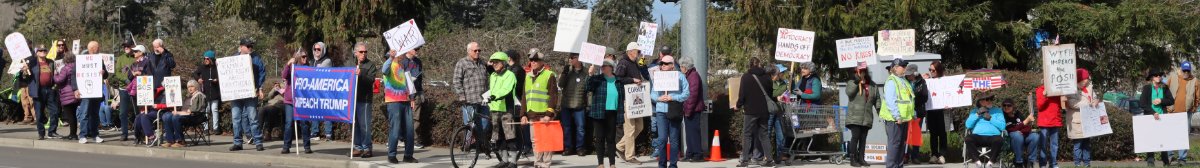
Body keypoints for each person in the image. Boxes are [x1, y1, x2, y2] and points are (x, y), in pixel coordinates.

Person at [734, 58, 776, 167]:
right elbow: (770, 94)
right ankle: (769, 160)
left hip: (750, 111)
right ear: (760, 65)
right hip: (764, 110)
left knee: (747, 134)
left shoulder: (746, 77)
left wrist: (738, 105)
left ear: (750, 65)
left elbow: (742, 95)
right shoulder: (767, 77)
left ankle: (744, 161)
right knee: (764, 135)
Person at [523, 50, 560, 168]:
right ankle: (538, 163)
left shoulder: (549, 75)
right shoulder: (527, 76)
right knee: (535, 140)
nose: (533, 62)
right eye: (531, 60)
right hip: (532, 114)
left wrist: (549, 114)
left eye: (536, 60)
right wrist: (523, 114)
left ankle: (546, 164)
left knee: (546, 140)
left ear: (541, 61)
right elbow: (524, 97)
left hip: (544, 114)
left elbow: (554, 95)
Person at [650, 55, 688, 168]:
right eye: (662, 64)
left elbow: (686, 93)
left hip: (674, 110)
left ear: (672, 65)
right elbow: (652, 93)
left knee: (674, 140)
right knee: (661, 139)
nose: (663, 66)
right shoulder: (657, 77)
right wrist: (658, 98)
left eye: (666, 64)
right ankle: (661, 165)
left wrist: (673, 98)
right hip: (661, 111)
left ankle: (673, 165)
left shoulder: (680, 76)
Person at [229, 38, 266, 152]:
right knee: (236, 119)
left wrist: (260, 88)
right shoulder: (233, 59)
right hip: (236, 94)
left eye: (251, 46)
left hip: (250, 93)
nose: (251, 48)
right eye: (248, 46)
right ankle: (238, 143)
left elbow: (262, 73)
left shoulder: (256, 58)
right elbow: (227, 74)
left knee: (253, 118)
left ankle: (258, 142)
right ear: (241, 47)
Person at [382, 48, 419, 163]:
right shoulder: (390, 64)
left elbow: (407, 84)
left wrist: (411, 97)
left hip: (405, 101)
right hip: (393, 102)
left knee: (409, 129)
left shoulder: (402, 66)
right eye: (401, 53)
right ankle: (392, 155)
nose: (403, 55)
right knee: (395, 129)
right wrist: (391, 58)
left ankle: (408, 155)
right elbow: (384, 70)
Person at [614, 42, 647, 165]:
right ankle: (629, 156)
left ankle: (619, 147)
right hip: (627, 100)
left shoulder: (634, 64)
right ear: (631, 51)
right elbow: (618, 78)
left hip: (635, 100)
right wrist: (632, 80)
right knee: (630, 128)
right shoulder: (623, 63)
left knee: (639, 126)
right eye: (637, 51)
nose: (639, 54)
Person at [486, 51, 520, 168]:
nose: (494, 64)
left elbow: (506, 89)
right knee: (499, 136)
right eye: (493, 62)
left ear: (503, 63)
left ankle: (513, 161)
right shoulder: (493, 75)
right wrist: (487, 98)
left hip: (507, 109)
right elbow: (492, 91)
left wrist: (495, 96)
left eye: (497, 62)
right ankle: (504, 160)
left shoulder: (510, 75)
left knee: (509, 135)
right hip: (495, 109)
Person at [453, 42, 490, 146]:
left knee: (485, 124)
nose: (478, 52)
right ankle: (468, 145)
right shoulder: (462, 63)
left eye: (479, 50)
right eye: (475, 50)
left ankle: (481, 144)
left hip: (483, 100)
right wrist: (461, 95)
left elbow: (487, 80)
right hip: (469, 100)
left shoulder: (482, 63)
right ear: (469, 51)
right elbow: (456, 80)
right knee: (470, 125)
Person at [880, 58, 914, 168]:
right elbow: (890, 100)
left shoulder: (904, 81)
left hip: (904, 119)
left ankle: (899, 166)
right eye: (903, 66)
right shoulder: (891, 81)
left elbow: (909, 100)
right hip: (894, 119)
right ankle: (891, 166)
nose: (905, 68)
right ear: (895, 68)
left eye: (905, 66)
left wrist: (912, 114)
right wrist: (896, 115)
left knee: (901, 145)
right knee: (894, 145)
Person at [22, 45, 61, 140]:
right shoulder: (32, 63)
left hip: (50, 89)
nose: (43, 51)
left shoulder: (51, 62)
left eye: (44, 50)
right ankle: (41, 133)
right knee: (39, 114)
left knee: (55, 111)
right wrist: (24, 71)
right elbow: (25, 78)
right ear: (37, 52)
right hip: (38, 90)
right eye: (40, 50)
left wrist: (55, 86)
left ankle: (52, 132)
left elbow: (56, 74)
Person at [588, 58, 620, 168]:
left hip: (612, 112)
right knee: (600, 138)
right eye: (602, 65)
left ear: (611, 67)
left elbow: (622, 96)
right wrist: (590, 75)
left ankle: (612, 163)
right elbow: (588, 87)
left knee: (611, 139)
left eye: (605, 65)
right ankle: (600, 163)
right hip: (599, 112)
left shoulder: (618, 80)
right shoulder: (597, 79)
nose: (602, 67)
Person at [1065, 68, 1100, 167]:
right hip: (1077, 121)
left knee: (1087, 144)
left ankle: (1087, 163)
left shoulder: (1089, 87)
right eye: (1084, 80)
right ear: (1079, 80)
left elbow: (1095, 97)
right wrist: (1089, 103)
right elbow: (1072, 103)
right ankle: (1077, 164)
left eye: (1087, 80)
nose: (1086, 82)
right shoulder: (1071, 89)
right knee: (1078, 144)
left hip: (1088, 120)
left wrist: (1096, 101)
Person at [350, 42, 380, 157]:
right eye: (361, 52)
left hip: (365, 100)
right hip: (353, 99)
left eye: (365, 52)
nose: (364, 54)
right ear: (356, 53)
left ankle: (367, 148)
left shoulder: (370, 65)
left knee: (364, 125)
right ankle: (358, 147)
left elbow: (371, 80)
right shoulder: (351, 64)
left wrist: (361, 74)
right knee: (355, 124)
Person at [279, 50, 312, 154]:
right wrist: (288, 64)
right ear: (297, 58)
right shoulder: (292, 68)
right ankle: (286, 146)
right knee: (289, 123)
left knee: (304, 124)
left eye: (306, 56)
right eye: (303, 57)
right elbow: (284, 75)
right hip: (290, 100)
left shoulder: (307, 69)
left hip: (302, 100)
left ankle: (307, 146)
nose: (305, 58)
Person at [846, 62, 877, 167]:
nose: (861, 73)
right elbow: (849, 93)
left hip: (866, 116)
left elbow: (877, 99)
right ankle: (852, 158)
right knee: (855, 136)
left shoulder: (872, 84)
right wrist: (857, 81)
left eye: (863, 71)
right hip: (854, 115)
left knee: (863, 138)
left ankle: (861, 158)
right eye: (858, 71)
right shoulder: (852, 82)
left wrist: (879, 110)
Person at [1166, 62, 1198, 165]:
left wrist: (1193, 108)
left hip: (1186, 113)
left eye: (1188, 70)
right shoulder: (1172, 77)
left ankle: (1182, 159)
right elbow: (1165, 91)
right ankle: (1169, 157)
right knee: (1170, 135)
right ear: (1180, 69)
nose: (1186, 72)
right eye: (1184, 70)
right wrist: (1166, 106)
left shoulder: (1195, 81)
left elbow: (1198, 97)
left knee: (1184, 136)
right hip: (1171, 112)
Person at [558, 52, 589, 157]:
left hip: (580, 103)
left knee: (580, 127)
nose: (570, 60)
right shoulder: (568, 71)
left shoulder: (586, 72)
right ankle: (568, 147)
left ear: (579, 58)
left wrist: (589, 104)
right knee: (566, 127)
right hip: (566, 103)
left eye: (572, 58)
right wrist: (564, 73)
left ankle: (580, 148)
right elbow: (560, 84)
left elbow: (589, 89)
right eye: (569, 58)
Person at [1141, 69, 1174, 166]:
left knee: (1163, 139)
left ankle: (1165, 161)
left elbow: (1171, 100)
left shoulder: (1165, 87)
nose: (1158, 77)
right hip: (1150, 117)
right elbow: (1142, 103)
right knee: (1151, 139)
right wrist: (1152, 112)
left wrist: (1161, 100)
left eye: (1160, 75)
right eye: (1156, 75)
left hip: (1162, 117)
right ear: (1152, 77)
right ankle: (1150, 161)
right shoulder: (1147, 88)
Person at [161, 80, 206, 148]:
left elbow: (193, 110)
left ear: (196, 87)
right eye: (188, 87)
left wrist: (178, 113)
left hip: (195, 116)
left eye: (192, 86)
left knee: (176, 117)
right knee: (167, 116)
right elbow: (182, 108)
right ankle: (170, 140)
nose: (190, 88)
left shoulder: (199, 95)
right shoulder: (188, 96)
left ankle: (180, 141)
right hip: (185, 115)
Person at [77, 41, 107, 143]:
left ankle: (95, 135)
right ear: (93, 48)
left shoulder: (100, 60)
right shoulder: (81, 60)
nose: (99, 49)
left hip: (96, 91)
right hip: (85, 92)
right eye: (98, 47)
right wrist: (76, 89)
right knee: (84, 113)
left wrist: (104, 72)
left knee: (95, 114)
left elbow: (106, 74)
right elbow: (75, 75)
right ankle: (83, 135)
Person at [965, 95, 1006, 167]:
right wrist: (977, 114)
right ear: (980, 101)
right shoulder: (974, 111)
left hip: (993, 136)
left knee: (999, 140)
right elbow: (968, 125)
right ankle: (976, 161)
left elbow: (1002, 126)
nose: (990, 101)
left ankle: (991, 162)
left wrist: (990, 118)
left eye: (991, 99)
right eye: (987, 99)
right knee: (968, 139)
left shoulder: (997, 111)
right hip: (978, 136)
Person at [680, 57, 707, 162]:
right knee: (689, 132)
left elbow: (693, 96)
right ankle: (690, 153)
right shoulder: (689, 75)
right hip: (690, 109)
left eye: (682, 66)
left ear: (686, 67)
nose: (681, 68)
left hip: (693, 110)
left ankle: (698, 154)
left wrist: (688, 110)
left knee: (694, 132)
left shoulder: (693, 76)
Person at [1035, 80, 1065, 168]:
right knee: (1043, 144)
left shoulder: (1057, 90)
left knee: (1054, 145)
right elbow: (1040, 106)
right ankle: (1043, 164)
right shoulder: (1040, 90)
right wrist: (1045, 95)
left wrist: (1064, 98)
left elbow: (1061, 105)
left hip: (1055, 120)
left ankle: (1053, 164)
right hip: (1044, 122)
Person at [1002, 98, 1040, 168]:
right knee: (1017, 135)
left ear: (1013, 106)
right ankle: (1018, 162)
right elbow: (1010, 129)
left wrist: (1020, 129)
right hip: (1010, 139)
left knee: (1035, 136)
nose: (1006, 107)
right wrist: (1024, 123)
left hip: (1023, 135)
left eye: (1009, 105)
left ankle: (1030, 161)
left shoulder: (1018, 114)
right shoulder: (1003, 116)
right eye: (1004, 105)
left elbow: (1028, 128)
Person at [400, 46, 425, 149]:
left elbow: (419, 78)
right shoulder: (402, 61)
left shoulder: (418, 61)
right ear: (409, 49)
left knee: (416, 118)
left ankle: (414, 140)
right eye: (416, 49)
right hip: (404, 93)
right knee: (402, 117)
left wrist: (421, 91)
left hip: (416, 92)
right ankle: (401, 139)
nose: (417, 51)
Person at [924, 61, 949, 164]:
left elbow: (949, 93)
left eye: (933, 70)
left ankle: (942, 155)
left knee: (942, 133)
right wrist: (922, 80)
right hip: (931, 110)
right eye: (930, 70)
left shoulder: (945, 80)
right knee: (933, 134)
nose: (931, 72)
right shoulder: (928, 81)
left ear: (938, 70)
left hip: (942, 111)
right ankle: (934, 154)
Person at [125, 45, 151, 143]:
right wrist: (133, 74)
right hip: (135, 91)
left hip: (145, 91)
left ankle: (146, 135)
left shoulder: (148, 62)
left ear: (141, 52)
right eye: (134, 51)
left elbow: (150, 74)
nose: (134, 53)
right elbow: (129, 76)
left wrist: (141, 74)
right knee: (137, 114)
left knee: (144, 114)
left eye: (136, 51)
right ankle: (138, 136)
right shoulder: (134, 63)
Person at [309, 42, 334, 141]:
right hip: (315, 90)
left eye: (318, 49)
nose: (316, 51)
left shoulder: (327, 61)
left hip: (325, 90)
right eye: (315, 49)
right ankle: (315, 133)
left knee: (326, 110)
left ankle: (328, 133)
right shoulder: (312, 62)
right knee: (314, 110)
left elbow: (318, 73)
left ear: (323, 50)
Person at [54, 45, 79, 142]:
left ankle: (72, 134)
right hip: (76, 93)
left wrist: (55, 75)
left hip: (67, 94)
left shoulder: (65, 68)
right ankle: (73, 134)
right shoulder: (77, 67)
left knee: (70, 116)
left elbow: (60, 80)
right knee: (74, 115)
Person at [113, 40, 137, 141]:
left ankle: (138, 133)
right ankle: (124, 133)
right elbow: (117, 73)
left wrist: (132, 82)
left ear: (132, 47)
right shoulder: (120, 58)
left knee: (137, 112)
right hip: (124, 89)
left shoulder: (136, 57)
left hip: (135, 89)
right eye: (124, 46)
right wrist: (126, 79)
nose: (126, 48)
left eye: (128, 46)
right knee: (123, 113)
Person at [193, 50, 220, 134]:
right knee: (206, 110)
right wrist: (198, 79)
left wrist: (217, 80)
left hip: (215, 91)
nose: (206, 60)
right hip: (205, 91)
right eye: (205, 58)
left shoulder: (216, 67)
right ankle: (205, 128)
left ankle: (216, 128)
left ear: (211, 59)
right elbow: (195, 74)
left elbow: (222, 76)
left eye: (207, 58)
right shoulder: (202, 67)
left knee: (214, 109)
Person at [905, 64, 928, 164]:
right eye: (907, 74)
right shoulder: (904, 81)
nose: (908, 76)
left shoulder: (922, 81)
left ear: (915, 73)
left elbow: (925, 96)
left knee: (915, 134)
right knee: (905, 134)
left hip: (918, 112)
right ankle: (905, 155)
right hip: (906, 112)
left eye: (910, 74)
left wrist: (914, 101)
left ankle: (915, 156)